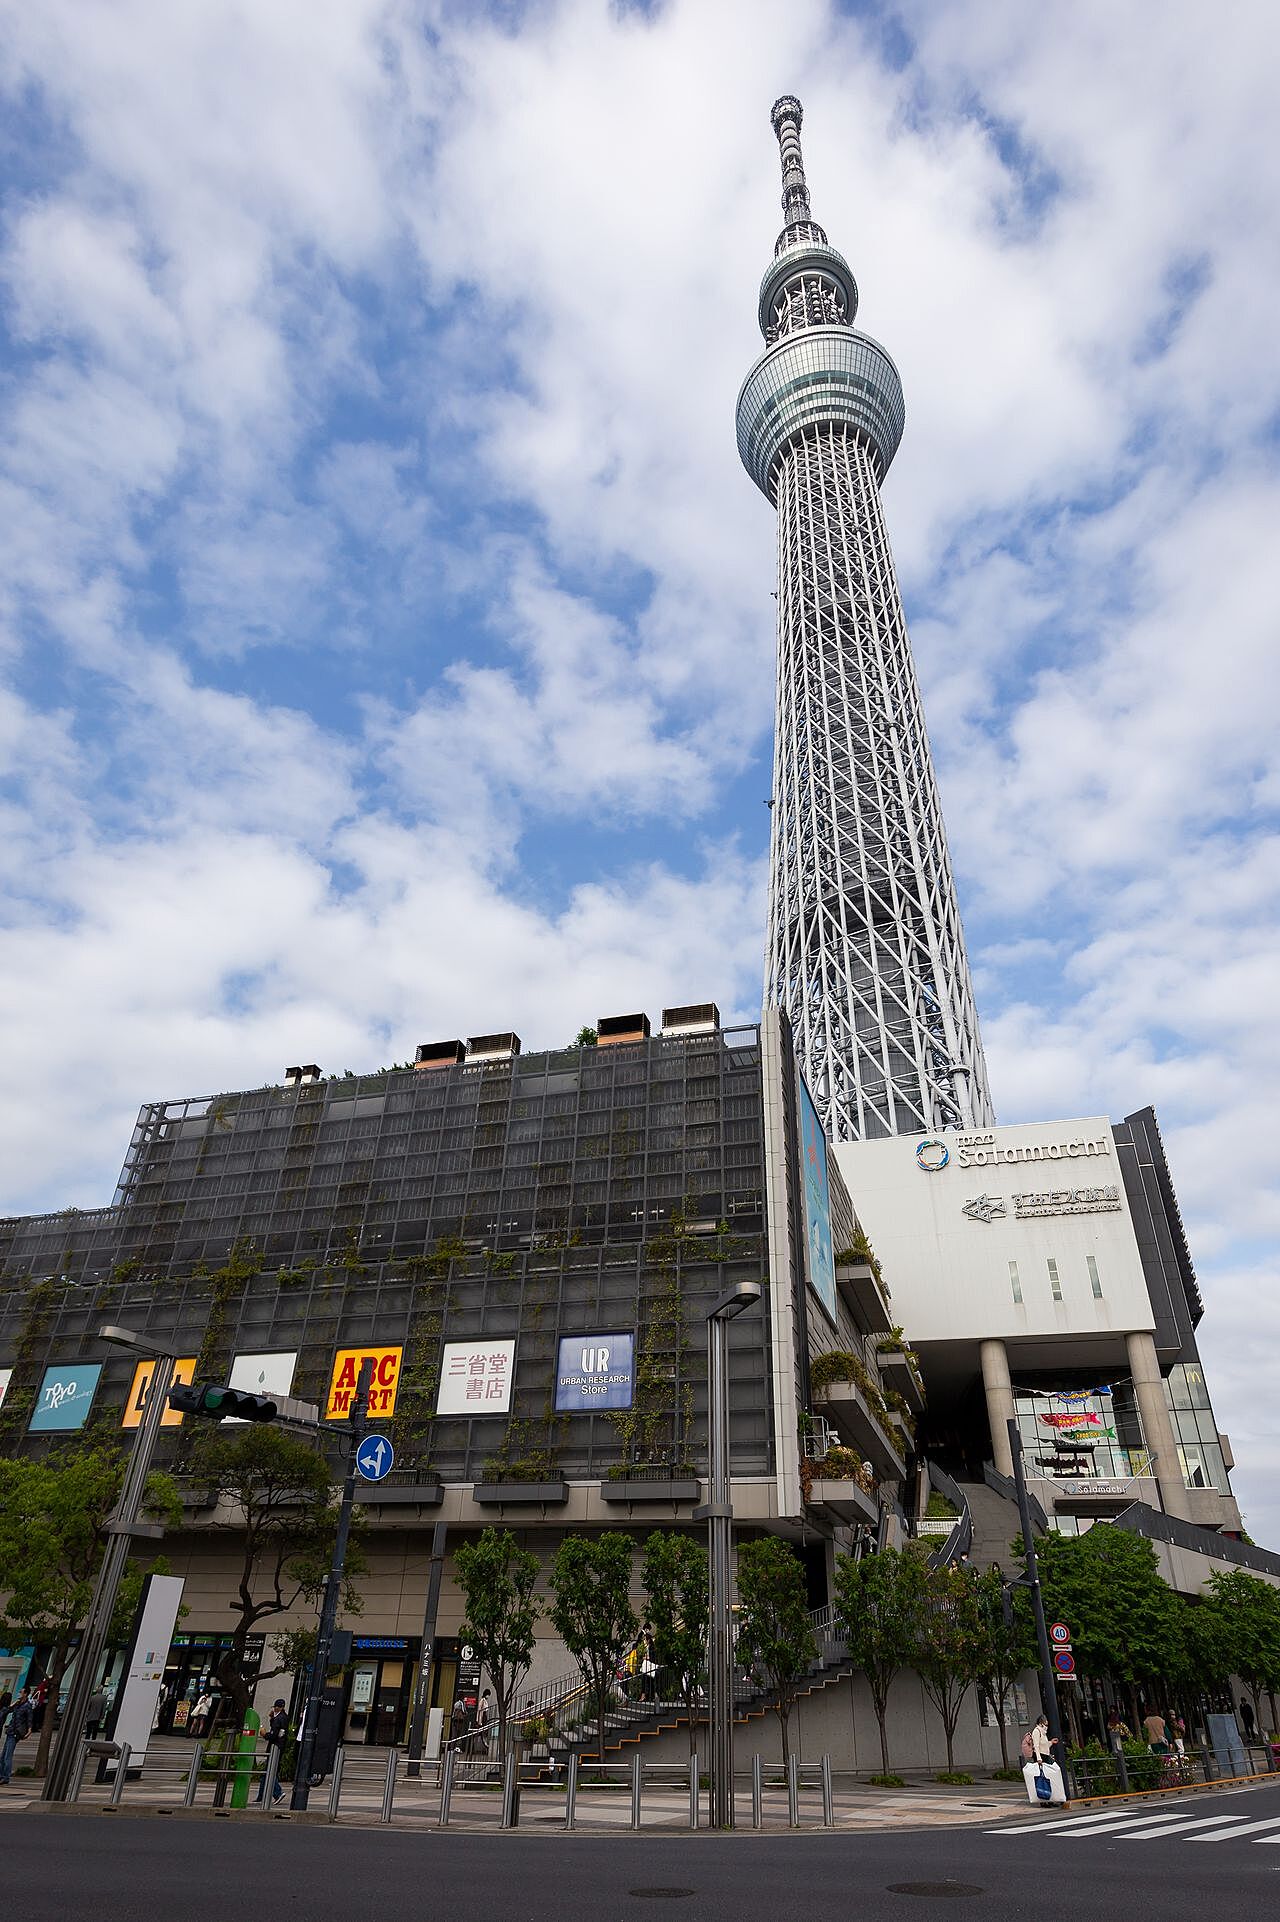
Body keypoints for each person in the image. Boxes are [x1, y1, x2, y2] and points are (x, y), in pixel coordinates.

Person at [255, 1698, 288, 1803]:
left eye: (276, 1707)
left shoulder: (279, 1719)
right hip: (279, 1746)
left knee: (269, 1771)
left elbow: (274, 1734)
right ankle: (261, 1795)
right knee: (267, 1772)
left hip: (275, 1747)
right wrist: (271, 1718)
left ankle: (278, 1793)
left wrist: (265, 1734)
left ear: (280, 1707)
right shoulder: (283, 1717)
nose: (275, 1709)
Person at [0, 1688, 33, 1786]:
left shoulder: (27, 1706)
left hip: (16, 1733)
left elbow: (29, 1719)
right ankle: (2, 1775)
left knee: (7, 1757)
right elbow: (4, 1712)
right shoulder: (17, 1704)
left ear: (26, 1694)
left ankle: (5, 1777)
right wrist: (13, 1704)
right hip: (10, 1731)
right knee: (2, 1757)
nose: (19, 1694)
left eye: (21, 1692)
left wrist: (29, 1730)